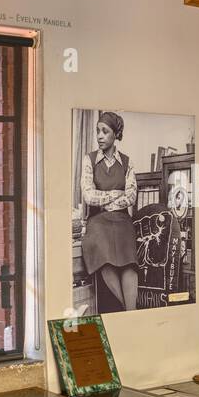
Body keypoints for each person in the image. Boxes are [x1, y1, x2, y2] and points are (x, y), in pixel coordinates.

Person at [81, 111, 139, 311]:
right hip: (98, 220)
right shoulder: (89, 160)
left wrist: (105, 200)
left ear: (115, 134)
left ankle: (131, 313)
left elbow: (131, 196)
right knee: (104, 257)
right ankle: (125, 309)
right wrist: (115, 194)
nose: (99, 136)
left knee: (129, 262)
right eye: (97, 131)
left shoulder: (127, 162)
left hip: (122, 221)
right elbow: (88, 195)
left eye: (105, 131)